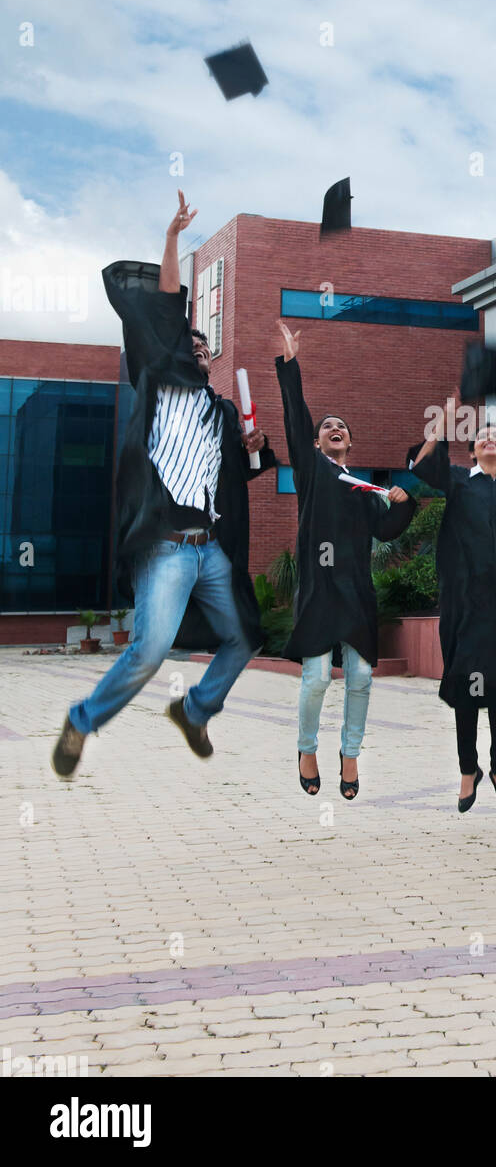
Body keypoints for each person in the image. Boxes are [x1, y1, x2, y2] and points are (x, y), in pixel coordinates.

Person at [52, 191, 276, 778]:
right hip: (168, 545)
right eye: (190, 343)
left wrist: (254, 451)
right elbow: (170, 302)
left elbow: (244, 474)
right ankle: (82, 720)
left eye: (204, 347)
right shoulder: (158, 381)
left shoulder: (221, 411)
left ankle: (196, 709)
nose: (197, 349)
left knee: (243, 637)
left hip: (212, 548)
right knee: (150, 650)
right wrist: (174, 238)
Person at [275, 321, 416, 799]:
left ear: (350, 445)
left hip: (355, 592)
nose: (335, 429)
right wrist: (291, 365)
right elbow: (297, 418)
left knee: (359, 674)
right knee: (316, 676)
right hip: (318, 590)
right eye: (327, 427)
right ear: (316, 445)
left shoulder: (362, 490)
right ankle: (306, 748)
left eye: (342, 427)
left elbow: (386, 530)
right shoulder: (313, 473)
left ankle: (349, 755)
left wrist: (402, 501)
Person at [409, 398, 496, 814]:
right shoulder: (457, 482)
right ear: (472, 451)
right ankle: (469, 769)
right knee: (465, 683)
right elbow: (421, 463)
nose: (490, 439)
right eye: (483, 436)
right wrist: (443, 422)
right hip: (461, 603)